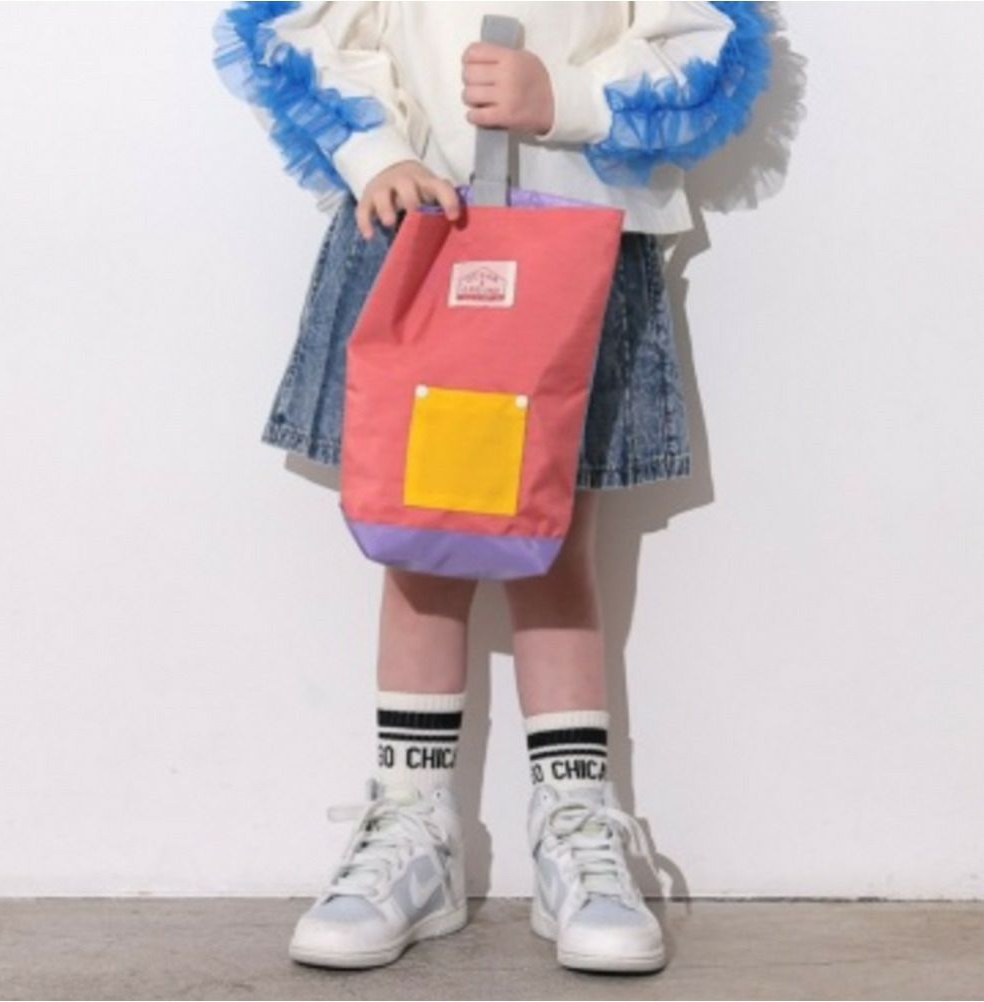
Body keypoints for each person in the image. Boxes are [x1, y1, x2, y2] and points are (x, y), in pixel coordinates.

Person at [212, 0, 774, 975]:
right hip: (421, 234)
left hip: (576, 242)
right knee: (418, 544)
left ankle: (576, 826)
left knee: (551, 544)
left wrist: (571, 97)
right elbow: (296, 23)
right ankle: (412, 825)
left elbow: (709, 37)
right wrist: (376, 151)